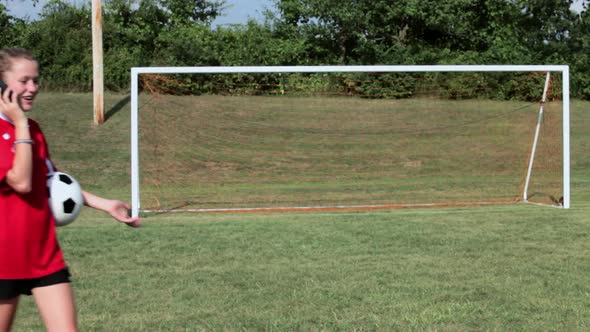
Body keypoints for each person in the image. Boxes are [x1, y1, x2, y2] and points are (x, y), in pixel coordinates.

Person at [0, 47, 141, 332]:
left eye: (36, 80)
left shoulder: (33, 129)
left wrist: (104, 204)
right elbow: (22, 181)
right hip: (3, 258)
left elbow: (52, 183)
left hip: (44, 254)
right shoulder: (25, 128)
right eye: (24, 80)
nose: (32, 88)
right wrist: (20, 125)